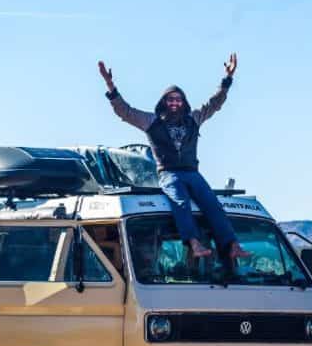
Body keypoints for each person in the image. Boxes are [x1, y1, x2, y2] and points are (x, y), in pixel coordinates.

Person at [98, 54, 249, 260]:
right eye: (170, 99)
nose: (174, 103)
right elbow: (125, 112)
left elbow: (215, 103)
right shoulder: (151, 121)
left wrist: (227, 79)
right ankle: (194, 244)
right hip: (169, 174)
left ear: (184, 102)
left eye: (178, 99)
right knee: (180, 203)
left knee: (213, 205)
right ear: (164, 102)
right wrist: (110, 85)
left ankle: (232, 245)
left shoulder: (193, 119)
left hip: (192, 172)